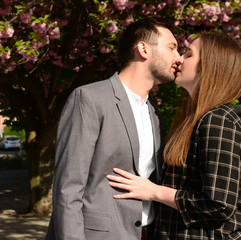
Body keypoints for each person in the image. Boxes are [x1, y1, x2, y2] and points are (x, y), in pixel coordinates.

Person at [107, 32, 241, 239]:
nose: (179, 59)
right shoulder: (195, 119)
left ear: (209, 67)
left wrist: (154, 191)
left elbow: (218, 204)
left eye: (188, 54)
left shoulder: (219, 120)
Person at [45, 18, 182, 240]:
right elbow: (68, 189)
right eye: (172, 47)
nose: (178, 58)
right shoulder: (89, 99)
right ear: (143, 48)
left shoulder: (154, 113)